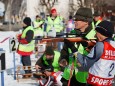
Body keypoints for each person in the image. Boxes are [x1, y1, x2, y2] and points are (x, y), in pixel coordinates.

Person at [65, 20, 115, 86]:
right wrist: (88, 46)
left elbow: (84, 65)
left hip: (94, 83)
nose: (95, 34)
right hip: (108, 83)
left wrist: (73, 49)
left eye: (96, 32)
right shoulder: (113, 45)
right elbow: (102, 57)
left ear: (101, 32)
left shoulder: (100, 45)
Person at [59, 7, 96, 86]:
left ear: (86, 21)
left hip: (85, 79)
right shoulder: (72, 33)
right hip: (69, 77)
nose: (74, 21)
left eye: (77, 19)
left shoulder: (95, 35)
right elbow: (64, 50)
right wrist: (63, 59)